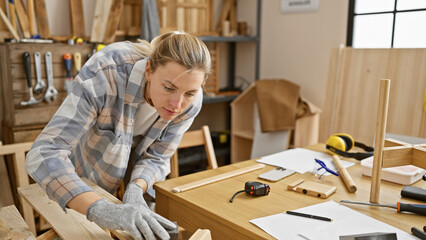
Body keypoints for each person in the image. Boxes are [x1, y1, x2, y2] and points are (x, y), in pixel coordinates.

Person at [25, 31, 211, 240]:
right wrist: (100, 210)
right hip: (89, 181)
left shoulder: (192, 99)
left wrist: (135, 189)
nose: (177, 105)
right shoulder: (106, 71)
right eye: (169, 88)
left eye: (189, 94)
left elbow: (157, 158)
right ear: (149, 70)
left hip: (133, 178)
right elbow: (43, 154)